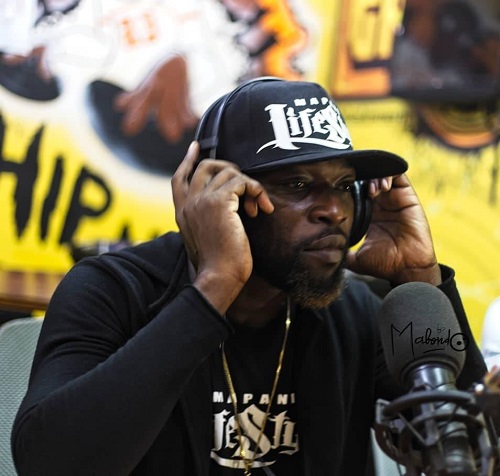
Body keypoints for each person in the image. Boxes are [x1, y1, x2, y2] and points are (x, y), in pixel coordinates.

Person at [12, 78, 488, 475]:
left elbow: (470, 448)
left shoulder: (355, 312)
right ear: (216, 196)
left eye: (345, 186)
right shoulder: (113, 291)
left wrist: (421, 279)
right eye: (298, 184)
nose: (333, 210)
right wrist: (215, 286)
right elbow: (51, 463)